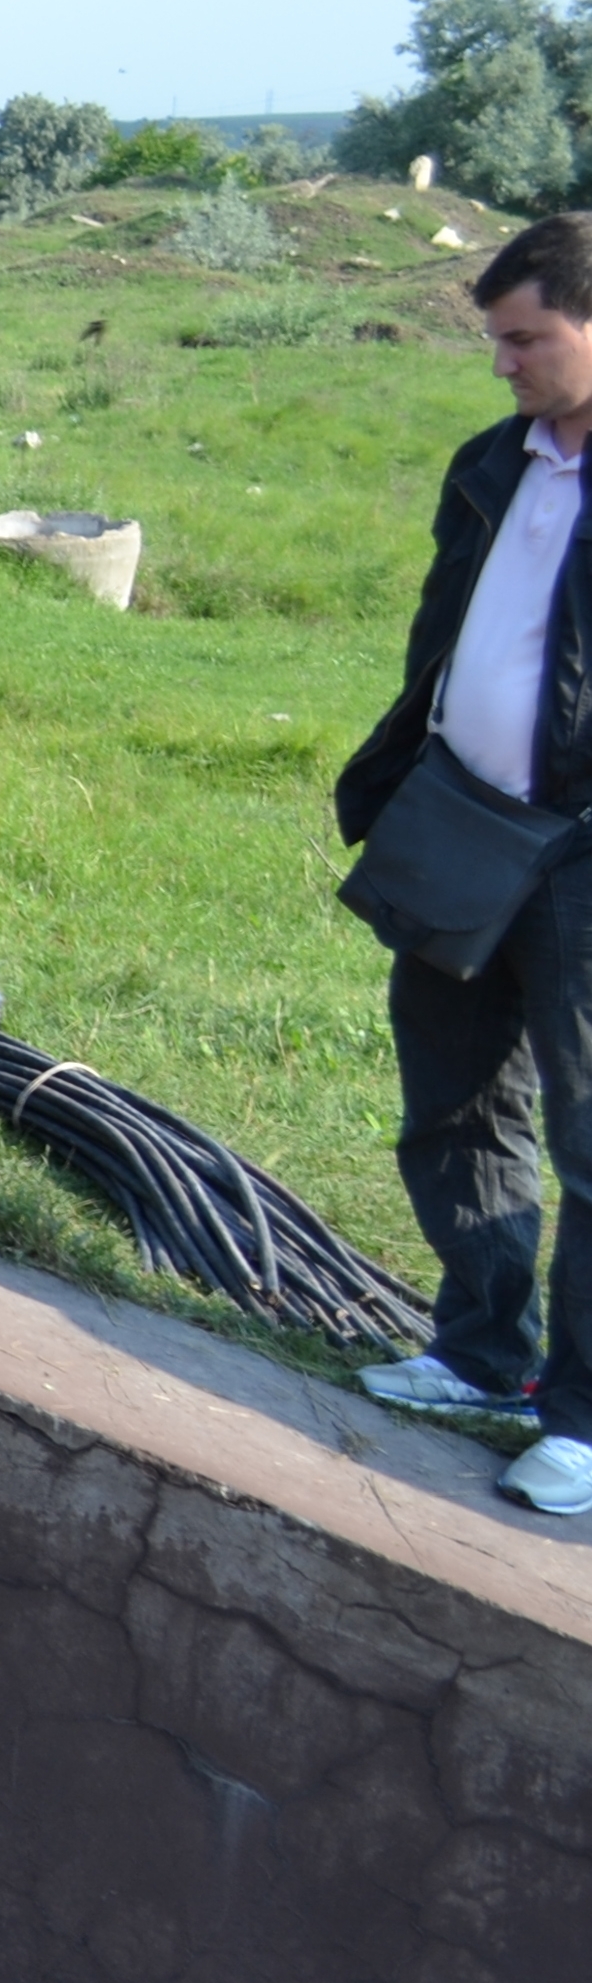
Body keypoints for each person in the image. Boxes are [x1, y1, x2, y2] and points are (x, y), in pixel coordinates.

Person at [337, 213, 592, 1515]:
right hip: (464, 819)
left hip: (582, 859)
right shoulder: (494, 464)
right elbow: (443, 639)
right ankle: (483, 1354)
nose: (503, 363)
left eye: (526, 339)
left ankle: (584, 1421)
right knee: (452, 1093)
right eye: (497, 338)